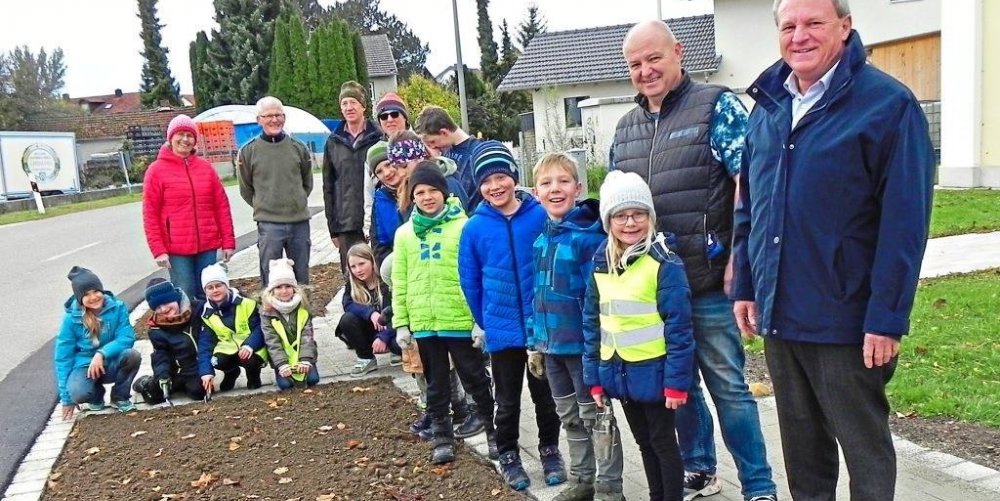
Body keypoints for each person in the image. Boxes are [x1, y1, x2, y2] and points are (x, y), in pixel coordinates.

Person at [732, 1, 935, 499]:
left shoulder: (888, 106)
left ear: (845, 28)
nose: (799, 36)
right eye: (789, 25)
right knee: (804, 457)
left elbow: (905, 223)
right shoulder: (768, 106)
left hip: (848, 319)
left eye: (814, 23)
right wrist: (747, 286)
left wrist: (886, 317)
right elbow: (749, 206)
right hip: (781, 314)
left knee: (864, 452)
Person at [611, 19, 777, 501]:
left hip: (708, 282)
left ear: (678, 53)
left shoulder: (716, 106)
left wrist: (738, 259)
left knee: (729, 390)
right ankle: (700, 467)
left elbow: (752, 178)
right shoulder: (626, 128)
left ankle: (760, 485)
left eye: (653, 58)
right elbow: (618, 204)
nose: (645, 71)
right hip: (654, 290)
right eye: (635, 64)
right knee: (677, 388)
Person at [582, 171, 695, 501]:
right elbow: (593, 324)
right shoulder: (600, 264)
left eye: (638, 214)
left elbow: (680, 330)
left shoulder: (665, 264)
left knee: (663, 444)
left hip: (656, 375)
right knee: (644, 443)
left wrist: (677, 383)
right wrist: (595, 380)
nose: (630, 222)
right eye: (620, 215)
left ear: (650, 217)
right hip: (620, 373)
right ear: (608, 220)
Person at [458, 141, 565, 490]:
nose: (495, 186)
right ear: (479, 186)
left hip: (541, 328)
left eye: (501, 177)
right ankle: (508, 454)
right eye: (487, 181)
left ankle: (550, 449)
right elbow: (469, 279)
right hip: (502, 331)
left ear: (514, 178)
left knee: (546, 398)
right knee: (506, 401)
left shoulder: (538, 215)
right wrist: (487, 320)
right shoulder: (474, 228)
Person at [530, 152, 625, 501]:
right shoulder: (541, 240)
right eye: (546, 183)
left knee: (596, 418)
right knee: (568, 416)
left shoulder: (588, 240)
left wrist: (597, 346)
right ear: (536, 192)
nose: (555, 189)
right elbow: (536, 295)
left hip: (583, 350)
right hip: (551, 349)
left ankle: (610, 488)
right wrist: (534, 341)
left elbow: (599, 298)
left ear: (578, 188)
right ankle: (583, 480)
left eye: (563, 181)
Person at [391, 162, 497, 465]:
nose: (426, 197)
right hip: (425, 322)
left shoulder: (464, 227)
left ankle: (493, 431)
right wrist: (402, 323)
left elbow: (477, 276)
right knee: (436, 382)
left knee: (475, 377)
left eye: (432, 190)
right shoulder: (405, 235)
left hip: (458, 319)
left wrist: (480, 320)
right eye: (420, 192)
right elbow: (400, 280)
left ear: (444, 192)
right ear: (413, 196)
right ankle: (441, 434)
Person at [143, 114, 235, 301]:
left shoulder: (205, 168)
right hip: (176, 248)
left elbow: (221, 206)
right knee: (184, 293)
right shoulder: (156, 171)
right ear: (170, 137)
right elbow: (150, 213)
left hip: (207, 244)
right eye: (180, 134)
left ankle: (210, 329)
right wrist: (158, 249)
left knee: (210, 291)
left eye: (190, 135)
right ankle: (189, 330)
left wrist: (228, 241)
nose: (185, 139)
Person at [238, 96, 314, 286]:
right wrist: (265, 204)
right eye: (268, 115)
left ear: (284, 117)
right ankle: (270, 315)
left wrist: (294, 201)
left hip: (299, 223)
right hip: (269, 225)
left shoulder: (299, 148)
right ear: (259, 120)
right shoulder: (248, 152)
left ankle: (304, 315)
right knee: (270, 277)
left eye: (278, 115)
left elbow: (307, 184)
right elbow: (246, 189)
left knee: (301, 276)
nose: (274, 120)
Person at [55, 266, 141, 420]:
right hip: (85, 366)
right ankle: (95, 396)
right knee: (78, 393)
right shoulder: (70, 319)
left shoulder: (117, 307)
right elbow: (63, 358)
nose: (93, 297)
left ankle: (120, 396)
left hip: (111, 361)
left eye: (96, 291)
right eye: (86, 294)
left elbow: (126, 337)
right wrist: (66, 399)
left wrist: (102, 353)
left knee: (132, 355)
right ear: (79, 298)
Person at [323, 81, 382, 277]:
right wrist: (333, 228)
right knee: (352, 274)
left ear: (363, 106)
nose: (349, 108)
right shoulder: (333, 142)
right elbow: (328, 186)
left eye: (353, 102)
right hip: (345, 222)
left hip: (375, 219)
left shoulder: (378, 138)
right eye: (344, 103)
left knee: (376, 271)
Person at [132, 278, 206, 404]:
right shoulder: (156, 329)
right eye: (158, 307)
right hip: (174, 371)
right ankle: (145, 382)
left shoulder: (199, 309)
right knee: (153, 396)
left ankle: (184, 385)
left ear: (175, 298)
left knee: (198, 392)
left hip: (196, 367)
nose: (164, 310)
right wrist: (162, 374)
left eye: (166, 303)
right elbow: (160, 354)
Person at [198, 263, 267, 392]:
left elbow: (260, 328)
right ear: (205, 291)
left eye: (219, 285)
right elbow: (205, 345)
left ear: (226, 285)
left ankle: (253, 375)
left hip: (251, 347)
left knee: (249, 359)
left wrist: (249, 345)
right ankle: (231, 372)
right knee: (217, 361)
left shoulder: (247, 303)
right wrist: (206, 372)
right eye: (210, 287)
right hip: (227, 349)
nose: (215, 290)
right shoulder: (206, 314)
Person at [337, 243, 401, 376]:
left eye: (362, 264)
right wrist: (370, 313)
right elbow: (347, 304)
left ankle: (396, 351)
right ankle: (366, 358)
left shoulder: (386, 282)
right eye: (353, 266)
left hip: (392, 328)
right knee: (347, 319)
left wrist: (383, 337)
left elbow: (398, 313)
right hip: (370, 330)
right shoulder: (353, 285)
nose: (358, 270)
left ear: (372, 261)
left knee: (398, 345)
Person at [260, 258, 320, 390]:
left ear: (294, 288)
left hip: (302, 354)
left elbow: (307, 336)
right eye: (279, 287)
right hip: (282, 358)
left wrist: (305, 359)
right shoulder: (267, 312)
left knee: (313, 380)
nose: (284, 291)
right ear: (272, 290)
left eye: (288, 286)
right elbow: (272, 341)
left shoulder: (303, 306)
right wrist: (281, 364)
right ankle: (280, 372)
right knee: (285, 385)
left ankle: (308, 363)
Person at [413, 105, 482, 208]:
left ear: (444, 132)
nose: (432, 147)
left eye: (432, 141)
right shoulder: (445, 152)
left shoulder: (476, 152)